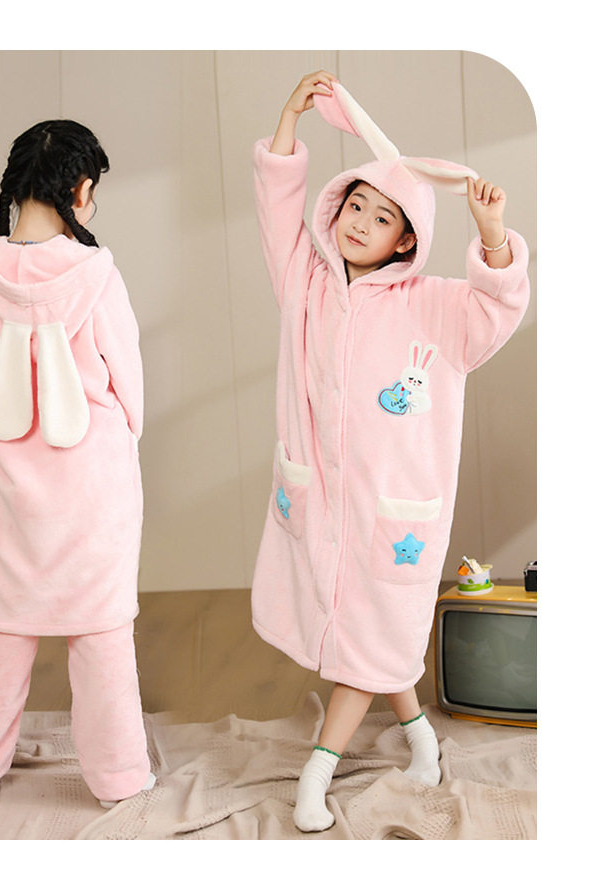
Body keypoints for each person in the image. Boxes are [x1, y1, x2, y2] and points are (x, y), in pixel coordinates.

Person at [250, 72, 530, 832]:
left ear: (405, 240)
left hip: (392, 510)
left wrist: (493, 234)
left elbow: (496, 307)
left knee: (372, 632)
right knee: (372, 634)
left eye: (382, 217)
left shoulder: (432, 305)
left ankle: (318, 771)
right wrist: (289, 120)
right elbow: (275, 211)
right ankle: (423, 742)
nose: (360, 223)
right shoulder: (306, 284)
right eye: (355, 206)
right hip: (321, 495)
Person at [0, 119, 155, 805]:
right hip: (92, 484)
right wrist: (124, 435)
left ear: (16, 188)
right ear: (81, 190)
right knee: (100, 632)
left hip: (11, 484)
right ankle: (118, 777)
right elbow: (128, 381)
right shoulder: (96, 274)